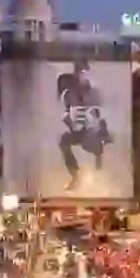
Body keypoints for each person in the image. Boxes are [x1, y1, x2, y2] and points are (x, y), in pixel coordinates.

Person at [56, 60, 111, 191]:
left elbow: (100, 113)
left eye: (84, 73)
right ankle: (75, 175)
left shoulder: (94, 91)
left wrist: (102, 129)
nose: (82, 76)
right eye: (80, 73)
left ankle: (99, 173)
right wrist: (70, 121)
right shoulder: (69, 93)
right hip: (77, 129)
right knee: (64, 141)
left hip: (92, 130)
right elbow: (65, 111)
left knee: (92, 144)